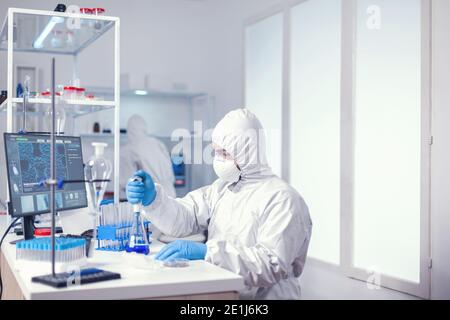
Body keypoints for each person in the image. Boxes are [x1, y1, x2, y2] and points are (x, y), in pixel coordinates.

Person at [126, 108, 312, 299]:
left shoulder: (283, 199)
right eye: (216, 152)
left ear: (247, 152)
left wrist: (209, 252)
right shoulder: (222, 189)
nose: (218, 160)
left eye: (225, 153)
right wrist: (153, 199)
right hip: (226, 291)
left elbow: (270, 265)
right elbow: (184, 217)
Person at [120, 115, 176, 200]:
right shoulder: (158, 143)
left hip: (151, 196)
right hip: (170, 193)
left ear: (129, 130)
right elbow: (170, 172)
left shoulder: (130, 148)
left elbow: (128, 183)